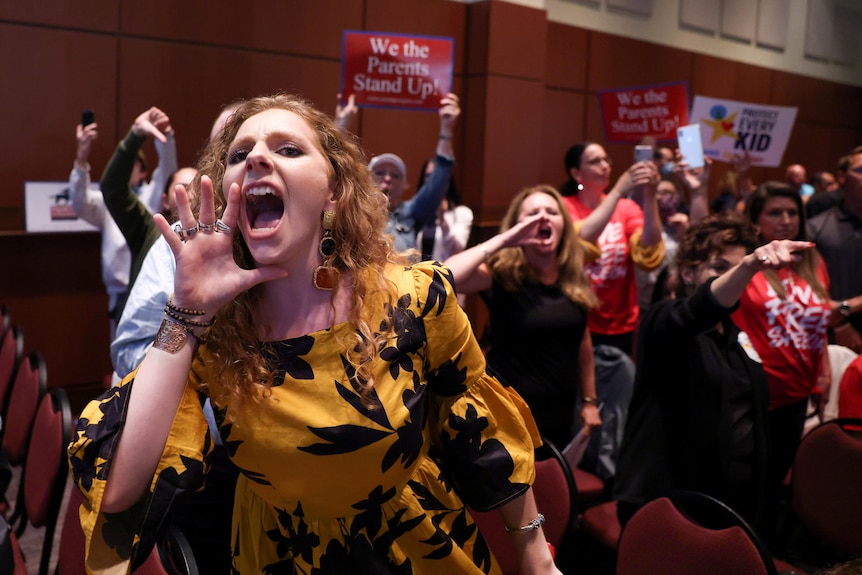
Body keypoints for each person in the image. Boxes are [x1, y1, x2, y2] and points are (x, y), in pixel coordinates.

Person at [70, 93, 560, 574]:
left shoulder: (414, 297)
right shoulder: (216, 329)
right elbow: (120, 490)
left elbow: (482, 430)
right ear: (228, 196)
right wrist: (186, 313)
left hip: (411, 546)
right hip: (277, 553)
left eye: (287, 149)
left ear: (334, 191)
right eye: (240, 155)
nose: (257, 157)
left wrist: (536, 559)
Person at [614, 212, 814, 532]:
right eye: (720, 267)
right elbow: (700, 309)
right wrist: (748, 265)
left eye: (739, 268)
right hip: (669, 504)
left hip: (730, 502)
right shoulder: (663, 321)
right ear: (688, 273)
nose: (733, 276)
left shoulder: (736, 336)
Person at [445, 185, 601, 449]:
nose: (543, 217)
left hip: (559, 416)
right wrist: (504, 240)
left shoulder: (574, 278)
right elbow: (446, 275)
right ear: (517, 226)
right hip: (508, 416)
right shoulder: (501, 276)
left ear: (564, 223)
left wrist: (590, 401)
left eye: (552, 212)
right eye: (533, 213)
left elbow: (582, 342)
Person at [732, 182, 832, 507]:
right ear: (755, 220)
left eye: (792, 212)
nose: (786, 219)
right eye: (775, 212)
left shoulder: (813, 263)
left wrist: (823, 373)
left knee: (774, 481)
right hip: (754, 393)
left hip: (798, 392)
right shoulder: (745, 262)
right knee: (744, 484)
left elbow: (819, 322)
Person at [69, 111, 177, 338]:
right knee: (124, 356)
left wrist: (166, 137)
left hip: (156, 284)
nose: (127, 170)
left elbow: (168, 172)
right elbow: (79, 202)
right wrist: (81, 158)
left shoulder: (154, 195)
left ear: (143, 171)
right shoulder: (108, 201)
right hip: (120, 290)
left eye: (134, 165)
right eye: (124, 165)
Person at [560, 142, 664, 355]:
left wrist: (650, 194)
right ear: (576, 173)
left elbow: (649, 251)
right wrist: (618, 191)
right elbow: (577, 241)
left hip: (619, 321)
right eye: (595, 161)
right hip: (576, 317)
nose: (605, 165)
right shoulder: (563, 207)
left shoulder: (626, 209)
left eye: (607, 160)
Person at [98, 107, 191, 314]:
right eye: (183, 189)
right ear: (165, 201)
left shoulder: (219, 236)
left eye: (198, 187)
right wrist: (135, 136)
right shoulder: (148, 231)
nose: (190, 195)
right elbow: (113, 189)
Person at [370, 93, 460, 253]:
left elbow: (437, 183)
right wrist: (342, 123)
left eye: (395, 175)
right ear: (366, 180)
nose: (388, 178)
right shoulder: (355, 213)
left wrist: (446, 128)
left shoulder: (410, 213)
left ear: (404, 185)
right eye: (380, 172)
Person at [808, 146, 862, 354]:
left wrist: (848, 305)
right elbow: (806, 283)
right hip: (829, 333)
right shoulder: (816, 228)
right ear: (841, 177)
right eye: (860, 171)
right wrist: (840, 325)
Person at [415, 158, 473, 264]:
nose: (433, 180)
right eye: (428, 175)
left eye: (438, 175)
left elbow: (456, 250)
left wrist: (442, 220)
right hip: (417, 275)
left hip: (445, 275)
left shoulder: (462, 213)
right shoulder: (415, 211)